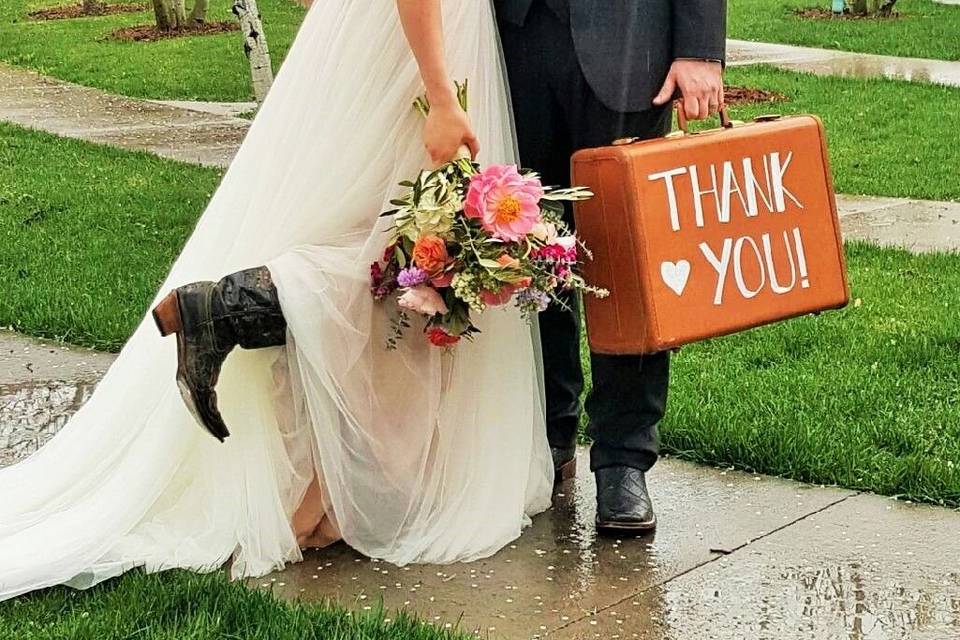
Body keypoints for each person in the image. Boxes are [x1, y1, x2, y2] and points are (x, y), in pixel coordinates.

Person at [0, 0, 554, 600]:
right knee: (401, 254)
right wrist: (441, 97)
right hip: (421, 46)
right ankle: (226, 316)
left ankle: (321, 481)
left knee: (401, 250)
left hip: (406, 38)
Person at [495, 0, 726, 533]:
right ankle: (549, 433)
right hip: (512, 37)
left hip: (629, 42)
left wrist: (699, 48)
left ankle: (623, 456)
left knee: (625, 257)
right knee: (524, 244)